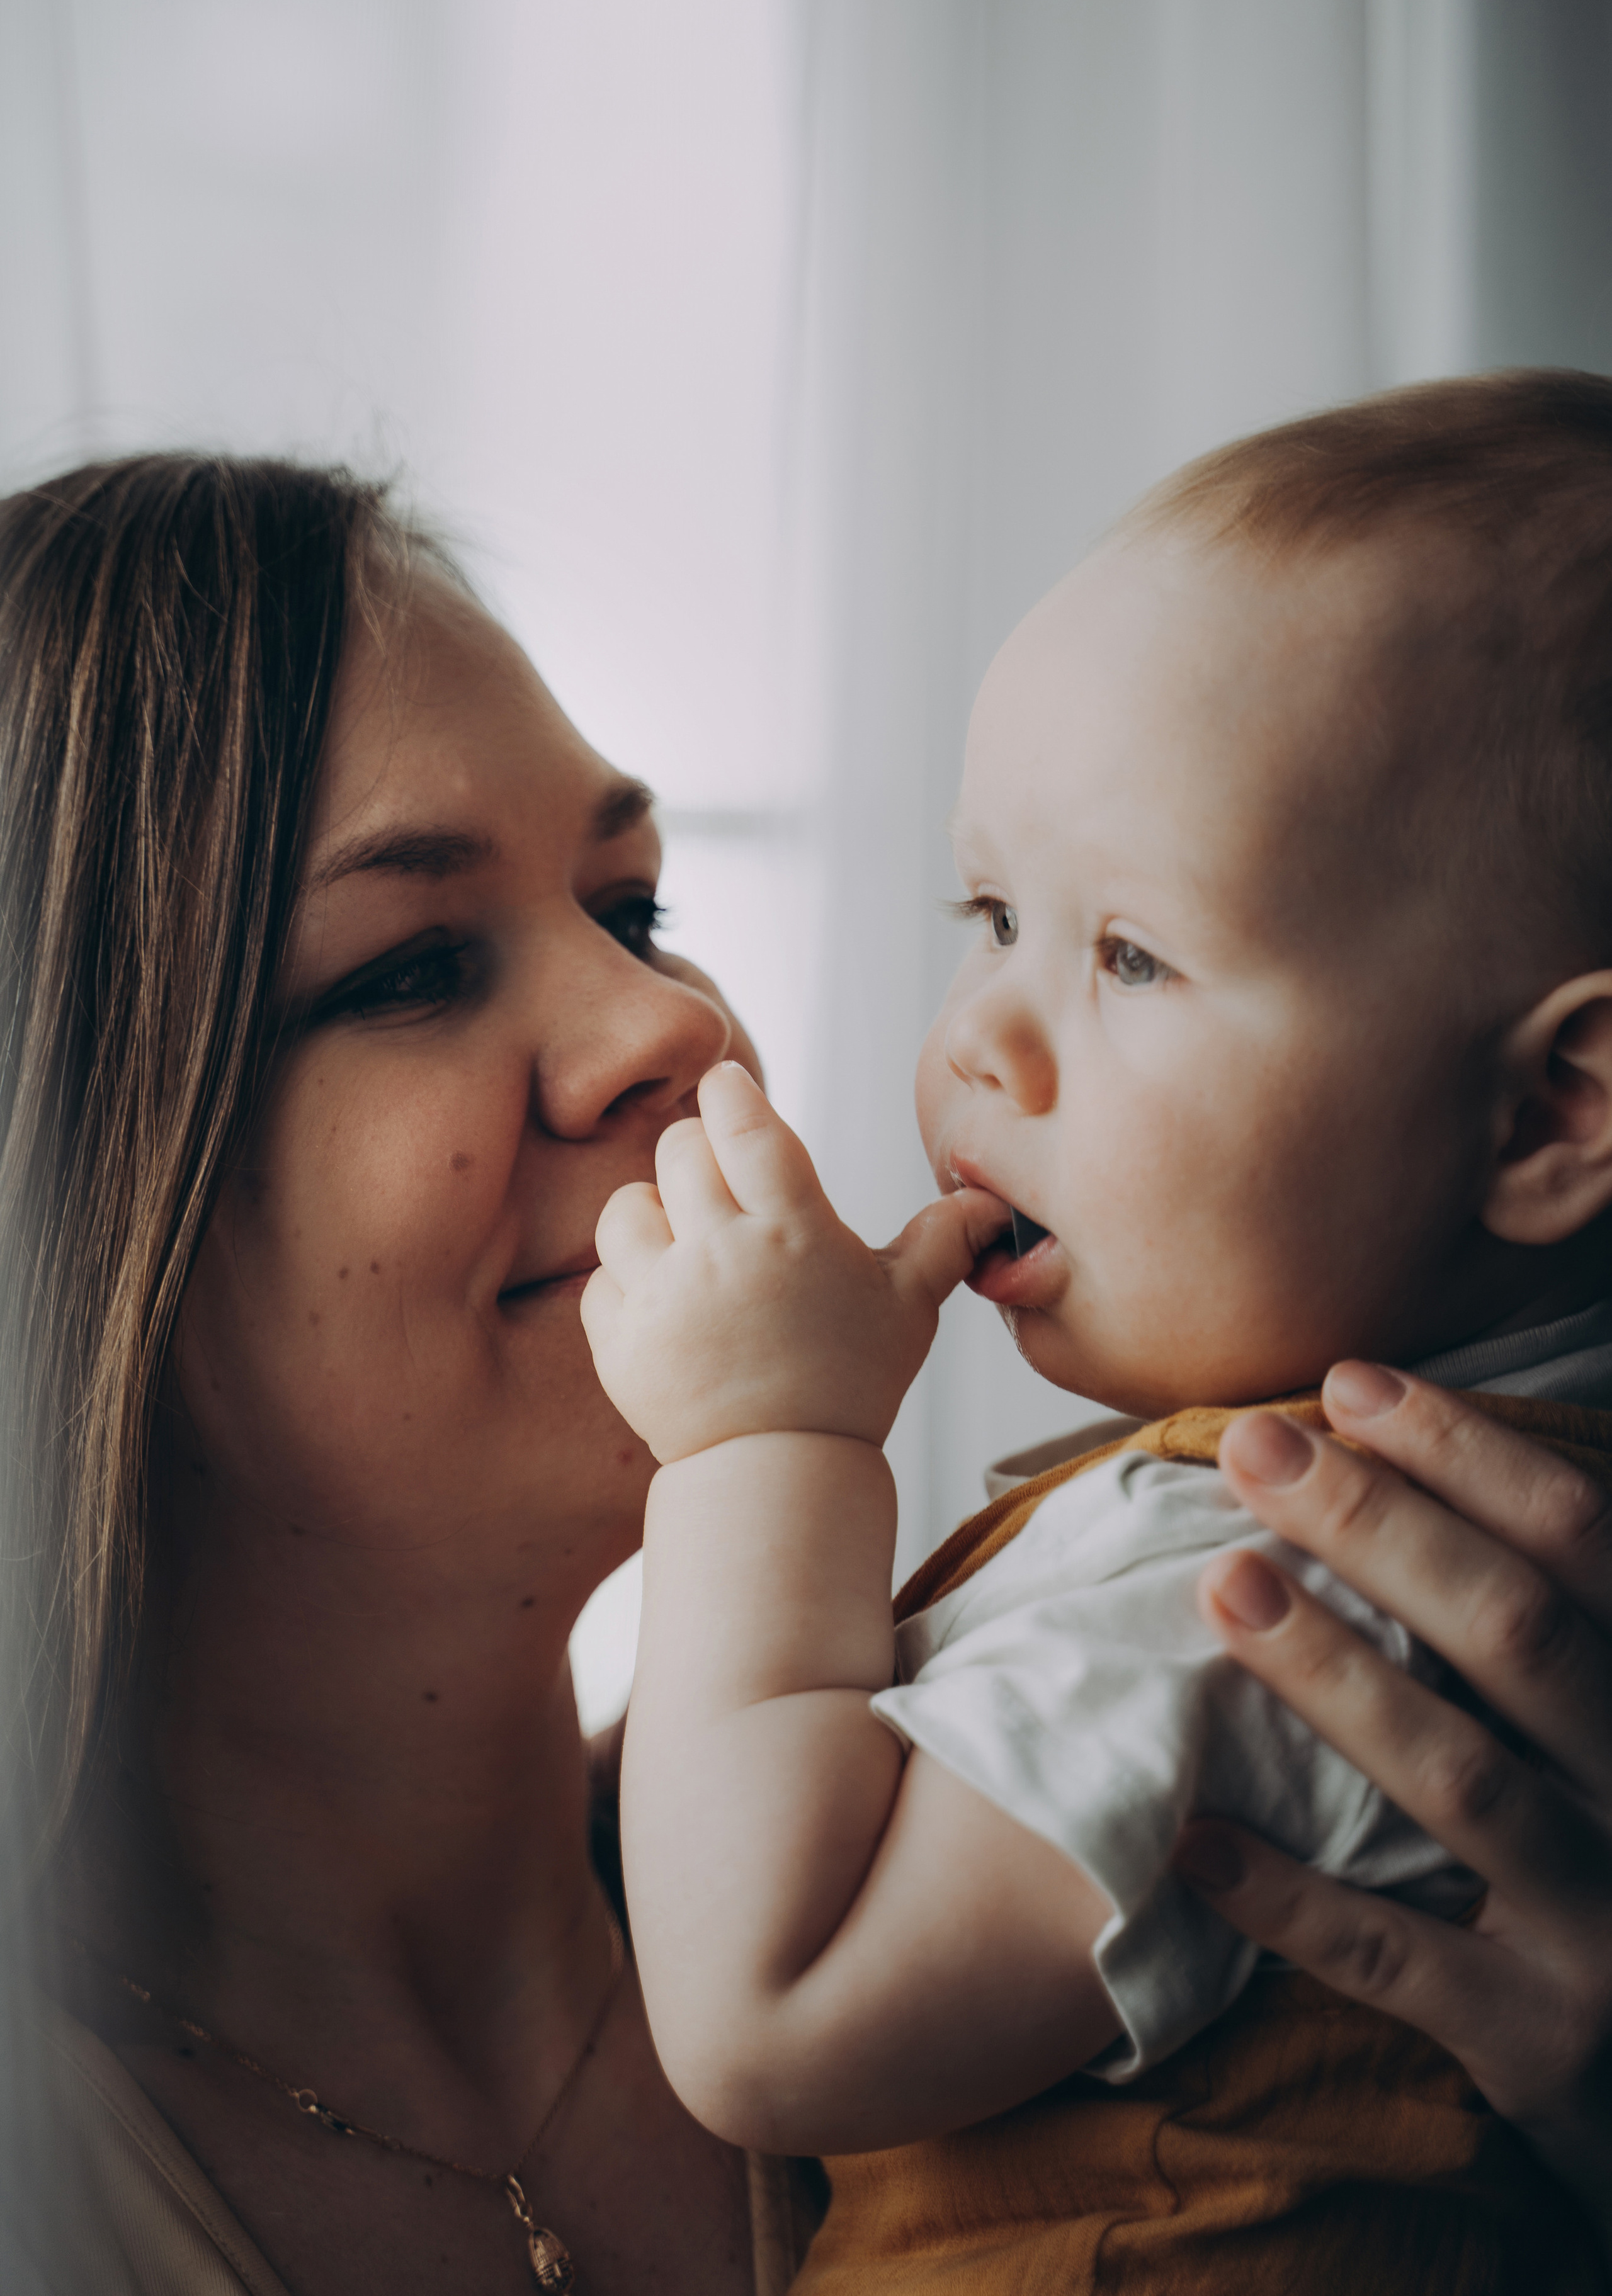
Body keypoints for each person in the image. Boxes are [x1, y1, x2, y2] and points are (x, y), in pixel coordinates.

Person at [0, 451, 1604, 2296]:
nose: (672, 1026)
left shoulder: (1119, 1783)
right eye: (416, 964)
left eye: (634, 911)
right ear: (77, 1198)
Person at [585, 373, 1612, 2289]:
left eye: (1132, 953)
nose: (980, 1034)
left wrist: (768, 1450)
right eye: (989, 912)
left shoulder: (1291, 1591)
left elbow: (773, 2001)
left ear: (1549, 1113)